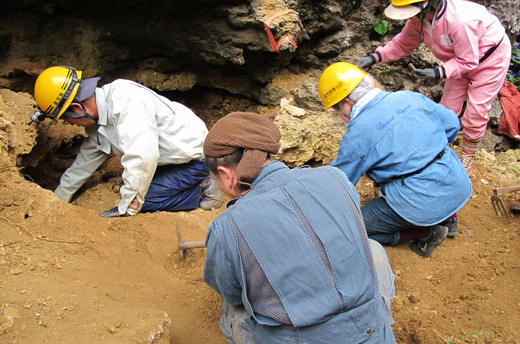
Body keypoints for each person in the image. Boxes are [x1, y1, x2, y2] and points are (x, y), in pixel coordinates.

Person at [202, 112, 395, 344]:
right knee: (373, 249)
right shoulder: (336, 178)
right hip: (371, 334)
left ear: (225, 174)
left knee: (233, 309)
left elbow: (233, 295)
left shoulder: (226, 228)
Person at [357, 0, 512, 175]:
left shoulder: (458, 21)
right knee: (447, 109)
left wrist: (439, 72)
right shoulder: (419, 20)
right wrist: (375, 57)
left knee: (476, 111)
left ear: (426, 4)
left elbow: (469, 61)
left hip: (489, 59)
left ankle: (468, 155)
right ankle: (438, 149)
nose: (406, 15)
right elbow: (403, 44)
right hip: (457, 61)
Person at [318, 62, 472, 257]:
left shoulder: (358, 134)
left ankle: (425, 230)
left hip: (419, 204)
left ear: (347, 103)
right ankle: (449, 217)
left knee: (351, 230)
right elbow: (451, 124)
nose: (339, 116)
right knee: (429, 167)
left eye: (336, 110)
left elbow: (339, 182)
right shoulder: (409, 97)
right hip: (458, 184)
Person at [31, 65, 223, 217]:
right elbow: (84, 164)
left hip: (197, 159)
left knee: (143, 200)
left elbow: (143, 157)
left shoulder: (126, 102)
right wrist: (57, 200)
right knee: (135, 184)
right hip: (171, 158)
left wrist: (128, 208)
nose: (69, 124)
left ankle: (204, 184)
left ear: (76, 107)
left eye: (66, 118)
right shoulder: (99, 123)